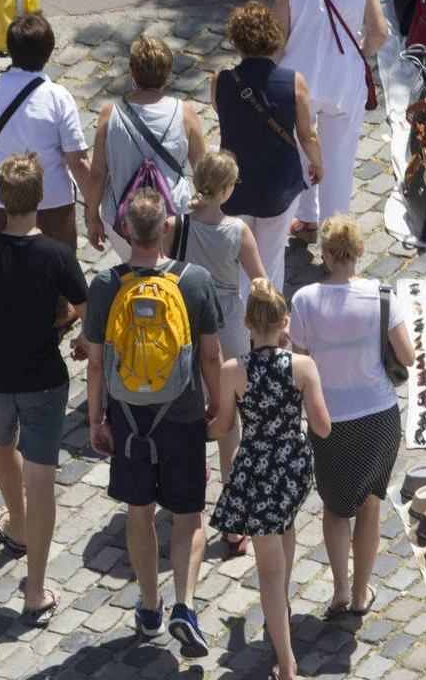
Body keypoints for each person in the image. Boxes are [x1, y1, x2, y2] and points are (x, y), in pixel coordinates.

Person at [0, 153, 90, 628]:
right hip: (44, 380)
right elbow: (91, 315)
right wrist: (88, 343)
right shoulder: (58, 256)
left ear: (1, 199)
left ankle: (19, 526)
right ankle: (35, 589)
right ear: (40, 199)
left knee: (1, 444)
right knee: (43, 479)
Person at [83, 187, 223, 657]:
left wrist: (96, 418)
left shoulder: (106, 286)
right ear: (167, 227)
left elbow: (97, 364)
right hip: (181, 413)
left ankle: (149, 607)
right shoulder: (196, 281)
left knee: (138, 513)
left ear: (125, 231)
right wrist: (218, 406)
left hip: (127, 417)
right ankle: (184, 604)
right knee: (189, 516)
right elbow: (210, 354)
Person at [287, 214, 414, 618]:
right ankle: (361, 595)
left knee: (336, 506)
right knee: (371, 502)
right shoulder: (382, 297)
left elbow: (301, 362)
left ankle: (340, 590)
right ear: (360, 251)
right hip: (378, 417)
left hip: (330, 418)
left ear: (324, 254)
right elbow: (408, 357)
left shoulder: (304, 300)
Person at [209, 279, 331, 680]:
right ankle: (281, 610)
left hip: (258, 471)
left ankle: (288, 663)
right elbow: (323, 428)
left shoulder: (232, 371)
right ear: (285, 324)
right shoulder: (302, 366)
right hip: (293, 468)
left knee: (269, 573)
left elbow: (224, 426)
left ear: (246, 322)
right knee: (286, 528)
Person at [166, 151, 267, 557]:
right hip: (227, 326)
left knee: (189, 413)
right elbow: (259, 280)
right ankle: (233, 521)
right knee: (230, 428)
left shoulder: (176, 225)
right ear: (225, 190)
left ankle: (185, 502)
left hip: (187, 322)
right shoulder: (238, 231)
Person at [273, 0, 389, 243]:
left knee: (301, 148)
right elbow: (379, 32)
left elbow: (276, 40)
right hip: (344, 81)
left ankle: (306, 216)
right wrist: (358, 50)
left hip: (298, 83)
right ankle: (336, 238)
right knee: (340, 159)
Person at [212, 1, 324, 296]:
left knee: (240, 257)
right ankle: (266, 320)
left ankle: (241, 318)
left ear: (236, 41)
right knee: (270, 259)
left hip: (235, 185)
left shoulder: (221, 80)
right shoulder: (294, 81)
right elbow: (307, 134)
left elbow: (223, 115)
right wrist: (317, 164)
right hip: (279, 185)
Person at [0, 12, 90, 255]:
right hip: (51, 201)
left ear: (10, 49)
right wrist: (93, 204)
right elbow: (78, 161)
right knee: (57, 276)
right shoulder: (58, 97)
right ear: (49, 51)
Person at [84, 35, 206, 258]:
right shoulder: (185, 113)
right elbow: (203, 171)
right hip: (172, 218)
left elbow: (97, 175)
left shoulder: (110, 114)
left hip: (122, 220)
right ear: (168, 71)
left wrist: (92, 218)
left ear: (132, 71)